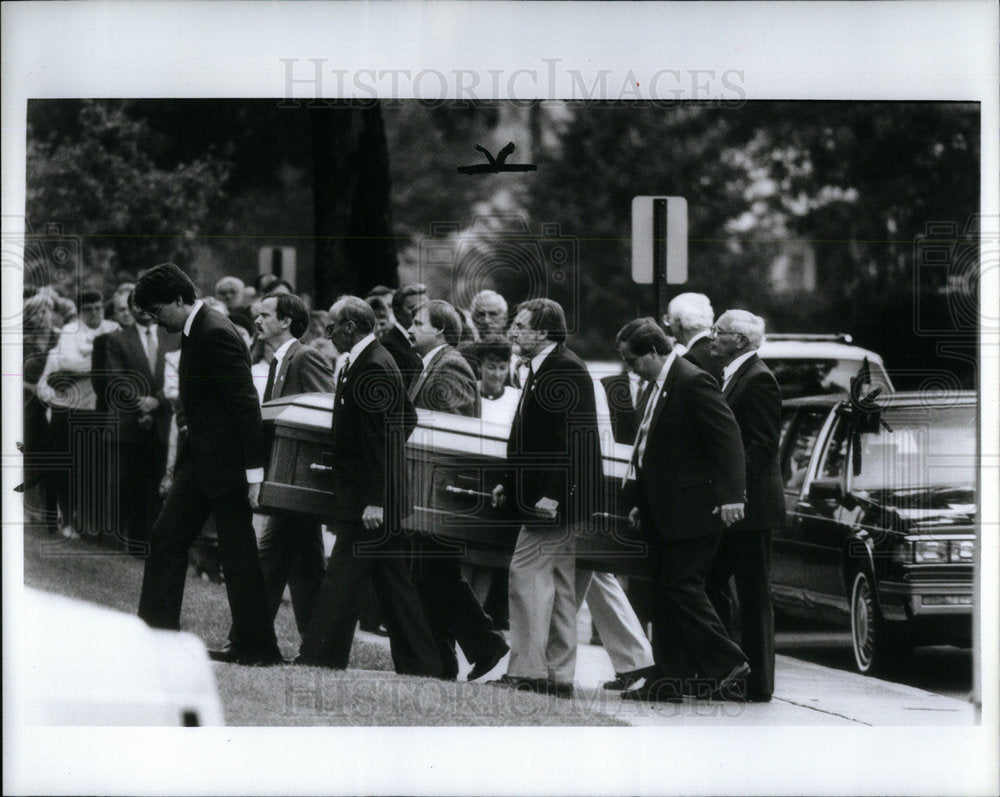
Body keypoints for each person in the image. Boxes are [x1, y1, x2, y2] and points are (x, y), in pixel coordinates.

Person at [133, 263, 281, 666]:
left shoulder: (214, 332)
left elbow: (244, 405)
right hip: (203, 464)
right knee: (172, 540)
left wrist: (254, 475)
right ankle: (160, 635)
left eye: (157, 310)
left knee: (235, 555)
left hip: (224, 468)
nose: (155, 319)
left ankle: (256, 647)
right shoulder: (199, 329)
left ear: (179, 300)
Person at [296, 297, 444, 677]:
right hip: (376, 496)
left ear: (349, 327)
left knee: (343, 576)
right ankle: (424, 664)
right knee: (394, 585)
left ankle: (321, 656)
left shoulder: (373, 366)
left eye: (331, 327)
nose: (327, 334)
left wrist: (376, 499)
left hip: (372, 501)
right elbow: (404, 419)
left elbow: (380, 437)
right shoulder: (368, 361)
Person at [616, 317, 750, 703]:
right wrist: (642, 503)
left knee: (680, 587)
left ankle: (727, 662)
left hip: (696, 509)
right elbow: (650, 451)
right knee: (663, 593)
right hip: (666, 510)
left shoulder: (692, 381)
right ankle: (669, 679)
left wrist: (732, 497)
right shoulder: (659, 386)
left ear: (655, 352)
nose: (630, 368)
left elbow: (728, 440)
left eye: (633, 359)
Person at [488, 299, 602, 698]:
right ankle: (557, 675)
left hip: (554, 501)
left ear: (544, 332)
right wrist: (509, 480)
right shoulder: (544, 367)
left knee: (526, 577)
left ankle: (528, 671)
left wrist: (554, 496)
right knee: (558, 586)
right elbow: (530, 436)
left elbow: (574, 441)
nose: (513, 332)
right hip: (549, 497)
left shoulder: (564, 368)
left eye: (521, 326)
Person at [220, 294, 336, 650]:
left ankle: (247, 640)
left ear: (286, 322)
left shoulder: (304, 357)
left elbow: (327, 413)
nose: (256, 321)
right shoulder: (280, 361)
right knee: (306, 567)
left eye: (265, 315)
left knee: (271, 560)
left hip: (298, 480)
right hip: (290, 479)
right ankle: (318, 646)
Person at [406, 300, 509, 680]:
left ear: (442, 331)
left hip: (442, 489)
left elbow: (454, 431)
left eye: (418, 323)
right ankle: (450, 658)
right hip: (432, 488)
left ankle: (483, 645)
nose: (410, 328)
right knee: (433, 574)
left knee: (436, 573)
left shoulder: (449, 364)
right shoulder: (436, 363)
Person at [704, 309, 784, 703]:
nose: (712, 336)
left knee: (753, 594)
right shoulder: (734, 375)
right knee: (715, 582)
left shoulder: (759, 379)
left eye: (718, 331)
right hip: (735, 504)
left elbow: (763, 447)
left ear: (739, 340)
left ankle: (757, 683)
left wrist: (732, 490)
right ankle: (727, 671)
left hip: (751, 509)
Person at [37, 289, 120, 538]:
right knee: (64, 467)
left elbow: (109, 368)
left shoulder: (114, 327)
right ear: (80, 312)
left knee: (91, 469)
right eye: (88, 309)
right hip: (67, 409)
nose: (94, 313)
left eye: (98, 308)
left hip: (96, 409)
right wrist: (98, 364)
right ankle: (63, 520)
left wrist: (87, 365)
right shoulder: (71, 331)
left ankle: (87, 523)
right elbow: (69, 362)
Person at [100, 292, 178, 549]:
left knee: (157, 482)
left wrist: (157, 400)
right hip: (128, 421)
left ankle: (151, 541)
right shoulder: (117, 339)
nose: (143, 309)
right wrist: (140, 402)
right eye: (137, 304)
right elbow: (115, 377)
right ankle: (130, 538)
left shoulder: (172, 337)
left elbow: (180, 376)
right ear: (130, 308)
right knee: (130, 481)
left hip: (164, 420)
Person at [407, 299, 479, 416]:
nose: (409, 330)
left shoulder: (450, 367)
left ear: (440, 329)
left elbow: (454, 427)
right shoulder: (433, 364)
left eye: (418, 324)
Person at [366, 286, 422, 390]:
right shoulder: (389, 345)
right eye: (413, 308)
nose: (420, 314)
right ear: (397, 312)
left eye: (424, 308)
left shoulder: (422, 341)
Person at [665, 292, 722, 385]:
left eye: (669, 320)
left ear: (678, 322)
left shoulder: (691, 358)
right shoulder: (722, 349)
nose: (669, 327)